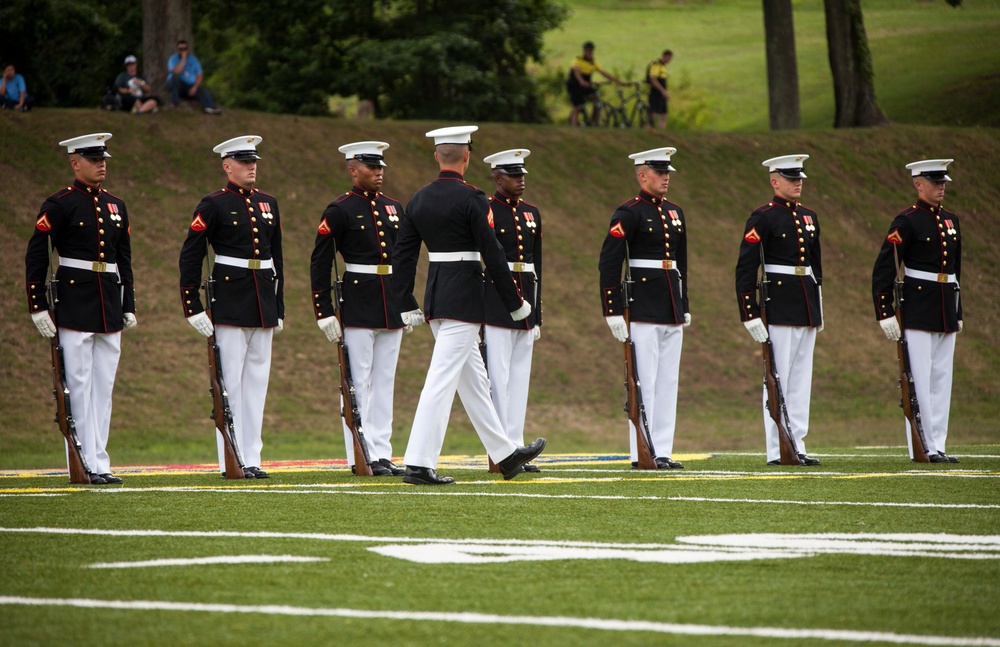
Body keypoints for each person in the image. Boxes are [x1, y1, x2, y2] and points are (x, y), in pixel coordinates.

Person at [391, 125, 546, 485]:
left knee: (474, 381)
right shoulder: (472, 198)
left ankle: (505, 454)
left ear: (436, 156)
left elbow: (403, 255)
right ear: (467, 156)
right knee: (442, 379)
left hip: (436, 295)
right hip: (464, 297)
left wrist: (404, 300)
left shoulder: (419, 199)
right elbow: (492, 253)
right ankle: (418, 462)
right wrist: (516, 302)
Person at [25, 133, 136, 485]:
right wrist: (38, 304)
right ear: (75, 162)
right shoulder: (59, 204)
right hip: (74, 301)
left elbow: (124, 260)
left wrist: (128, 302)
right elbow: (37, 254)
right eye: (93, 158)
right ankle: (81, 459)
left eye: (103, 157)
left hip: (107, 302)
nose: (101, 163)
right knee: (77, 383)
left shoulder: (117, 205)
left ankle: (99, 461)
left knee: (103, 387)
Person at [178, 135, 283, 479]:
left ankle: (252, 457)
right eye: (243, 161)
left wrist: (278, 306)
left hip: (262, 300)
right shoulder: (213, 204)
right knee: (231, 385)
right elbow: (192, 254)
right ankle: (232, 458)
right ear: (227, 166)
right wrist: (192, 305)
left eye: (253, 160)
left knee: (257, 384)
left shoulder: (269, 202)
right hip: (229, 300)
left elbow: (276, 257)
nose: (251, 166)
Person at [310, 141, 407, 477]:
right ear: (353, 169)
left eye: (380, 166)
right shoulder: (339, 210)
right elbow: (320, 262)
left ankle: (382, 453)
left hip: (390, 302)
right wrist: (323, 311)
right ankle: (360, 452)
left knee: (385, 382)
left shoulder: (394, 207)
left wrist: (406, 302)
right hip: (358, 300)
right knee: (357, 381)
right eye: (371, 166)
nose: (378, 172)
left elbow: (405, 260)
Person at [599, 147, 688, 470]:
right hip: (642, 305)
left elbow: (681, 264)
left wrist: (684, 303)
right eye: (659, 172)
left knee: (668, 382)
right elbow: (609, 262)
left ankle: (662, 449)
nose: (666, 177)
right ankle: (642, 450)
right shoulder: (629, 213)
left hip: (670, 306)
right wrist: (612, 309)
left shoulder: (675, 212)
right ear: (642, 175)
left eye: (667, 173)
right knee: (644, 381)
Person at [871, 159, 961, 464]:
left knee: (942, 378)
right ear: (918, 184)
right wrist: (884, 311)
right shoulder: (906, 221)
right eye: (935, 182)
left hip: (945, 306)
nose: (942, 187)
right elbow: (885, 266)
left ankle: (939, 442)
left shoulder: (951, 220)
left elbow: (955, 271)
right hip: (919, 306)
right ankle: (922, 445)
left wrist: (958, 311)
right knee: (919, 378)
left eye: (943, 182)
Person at [735, 154, 823, 466]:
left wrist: (818, 308)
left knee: (800, 380)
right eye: (790, 178)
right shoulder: (763, 217)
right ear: (774, 181)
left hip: (805, 305)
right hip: (779, 303)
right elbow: (747, 266)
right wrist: (750, 312)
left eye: (799, 177)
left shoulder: (809, 217)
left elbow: (816, 268)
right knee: (778, 378)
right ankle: (778, 448)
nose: (798, 182)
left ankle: (797, 443)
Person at [482, 148, 543, 472]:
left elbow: (538, 265)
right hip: (496, 301)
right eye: (512, 175)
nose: (520, 181)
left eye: (521, 175)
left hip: (527, 299)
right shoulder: (488, 210)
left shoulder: (532, 213)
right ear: (496, 177)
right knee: (499, 377)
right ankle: (501, 450)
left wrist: (538, 314)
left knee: (519, 379)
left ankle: (517, 446)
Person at [566, 41, 625, 127]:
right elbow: (576, 71)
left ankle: (593, 123)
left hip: (586, 85)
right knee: (577, 106)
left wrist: (617, 81)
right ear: (584, 51)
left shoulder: (593, 62)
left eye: (591, 51)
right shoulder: (578, 60)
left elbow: (603, 72)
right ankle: (574, 127)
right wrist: (581, 81)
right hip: (574, 85)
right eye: (587, 50)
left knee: (597, 101)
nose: (589, 52)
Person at [166, 40, 222, 115]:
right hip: (177, 84)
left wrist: (195, 87)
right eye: (180, 49)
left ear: (187, 49)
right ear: (177, 50)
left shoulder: (193, 59)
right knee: (176, 77)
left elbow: (200, 75)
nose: (182, 51)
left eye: (184, 49)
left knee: (203, 91)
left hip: (189, 86)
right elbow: (177, 71)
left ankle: (208, 107)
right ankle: (175, 102)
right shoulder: (173, 59)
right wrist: (183, 59)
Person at [646, 49, 673, 129]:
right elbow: (653, 79)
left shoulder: (663, 66)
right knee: (654, 113)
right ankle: (647, 130)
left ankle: (661, 132)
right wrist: (663, 91)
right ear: (665, 56)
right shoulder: (656, 65)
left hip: (661, 94)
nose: (669, 61)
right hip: (656, 93)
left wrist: (665, 92)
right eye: (669, 58)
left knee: (664, 114)